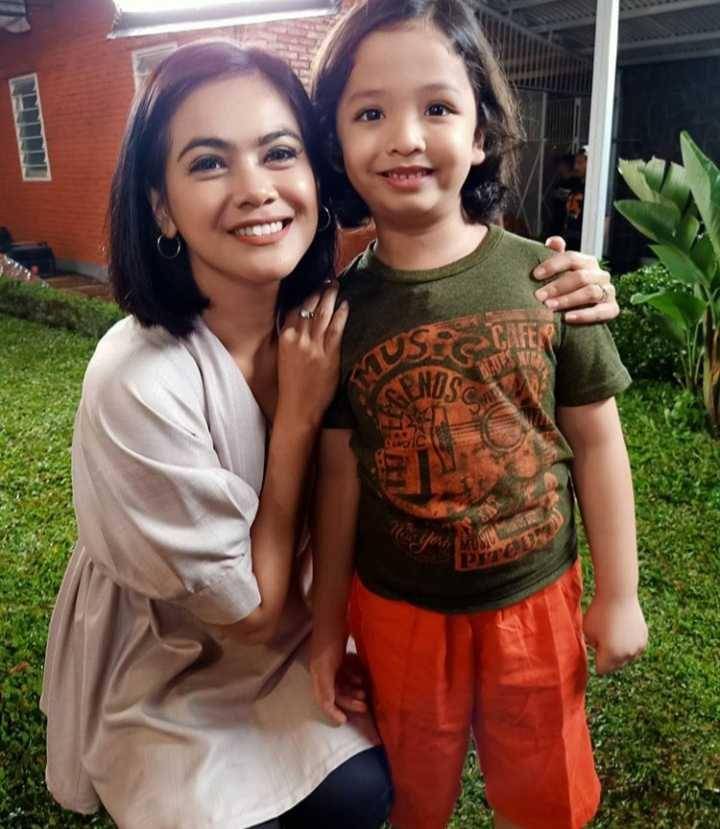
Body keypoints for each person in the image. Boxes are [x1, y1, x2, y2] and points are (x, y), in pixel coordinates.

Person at [308, 3, 648, 829]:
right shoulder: (340, 313)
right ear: (336, 142)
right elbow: (339, 482)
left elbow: (598, 442)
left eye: (437, 106)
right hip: (396, 614)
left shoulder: (549, 281)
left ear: (483, 132)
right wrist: (324, 635)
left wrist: (621, 594)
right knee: (411, 800)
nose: (404, 138)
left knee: (545, 800)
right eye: (369, 113)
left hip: (535, 602)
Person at [40, 41, 393, 829]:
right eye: (208, 163)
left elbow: (466, 298)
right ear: (161, 207)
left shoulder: (328, 317)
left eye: (279, 152)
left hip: (299, 631)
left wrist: (559, 286)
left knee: (364, 786)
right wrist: (297, 419)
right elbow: (248, 615)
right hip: (172, 658)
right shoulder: (139, 380)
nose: (256, 188)